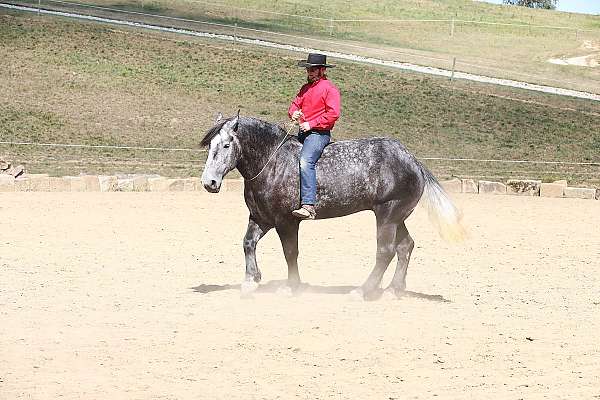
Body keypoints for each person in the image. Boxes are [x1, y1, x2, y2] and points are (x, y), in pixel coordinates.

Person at [288, 53, 341, 220]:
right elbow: (295, 105)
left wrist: (311, 124)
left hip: (318, 134)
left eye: (313, 69)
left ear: (322, 70)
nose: (309, 72)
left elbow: (333, 114)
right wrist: (293, 113)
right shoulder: (305, 88)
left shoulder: (329, 89)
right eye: (308, 69)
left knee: (305, 162)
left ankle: (308, 205)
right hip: (303, 133)